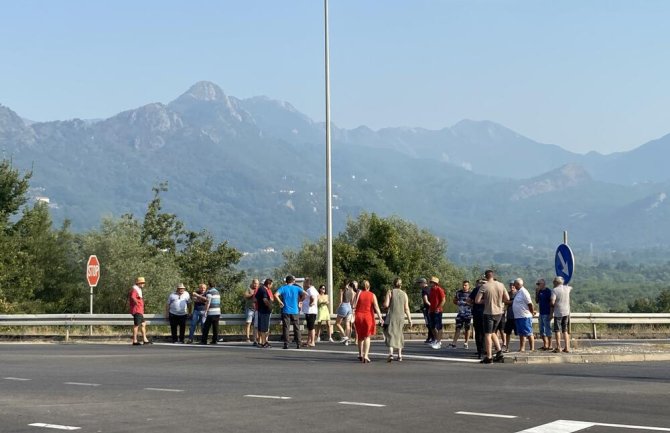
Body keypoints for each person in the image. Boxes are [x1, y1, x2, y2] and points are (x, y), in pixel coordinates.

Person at [475, 270, 509, 364]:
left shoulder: (484, 286)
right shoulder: (501, 285)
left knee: (487, 334)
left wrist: (486, 300)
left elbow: (477, 300)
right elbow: (507, 299)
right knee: (493, 332)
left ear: (486, 277)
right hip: (499, 312)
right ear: (493, 276)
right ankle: (499, 351)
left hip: (489, 312)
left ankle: (489, 356)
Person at [353, 280, 384, 363]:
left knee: (360, 336)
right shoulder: (372, 295)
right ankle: (366, 355)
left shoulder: (358, 294)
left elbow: (353, 304)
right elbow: (376, 307)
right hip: (368, 317)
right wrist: (380, 317)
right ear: (369, 287)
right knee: (367, 336)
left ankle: (360, 354)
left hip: (358, 316)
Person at [383, 278, 412, 362]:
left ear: (393, 284)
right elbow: (406, 308)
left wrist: (384, 306)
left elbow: (386, 304)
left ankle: (391, 353)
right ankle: (399, 355)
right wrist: (410, 319)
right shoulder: (404, 294)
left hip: (392, 316)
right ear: (401, 284)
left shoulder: (390, 292)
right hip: (401, 317)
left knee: (390, 333)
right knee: (399, 334)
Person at [275, 275, 305, 349]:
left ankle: (286, 344)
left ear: (286, 281)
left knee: (286, 328)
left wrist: (280, 302)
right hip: (295, 310)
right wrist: (300, 301)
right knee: (296, 327)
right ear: (293, 281)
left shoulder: (283, 288)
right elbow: (305, 294)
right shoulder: (297, 288)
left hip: (286, 310)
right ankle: (298, 343)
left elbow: (275, 294)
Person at [511, 278, 536, 352]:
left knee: (528, 332)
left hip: (524, 316)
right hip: (519, 316)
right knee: (521, 333)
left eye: (515, 284)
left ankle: (532, 348)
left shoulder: (524, 292)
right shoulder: (519, 292)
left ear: (518, 284)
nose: (514, 285)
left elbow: (530, 303)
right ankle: (522, 348)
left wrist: (532, 312)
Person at [551, 276, 573, 353]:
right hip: (566, 312)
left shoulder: (554, 290)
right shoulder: (567, 288)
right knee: (565, 330)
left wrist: (552, 307)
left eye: (554, 282)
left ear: (556, 282)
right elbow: (570, 287)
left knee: (557, 330)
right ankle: (567, 347)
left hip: (558, 312)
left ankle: (558, 347)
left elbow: (552, 302)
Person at [449, 280, 472, 349]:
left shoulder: (471, 293)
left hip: (468, 314)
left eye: (466, 285)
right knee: (458, 328)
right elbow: (454, 300)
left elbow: (474, 302)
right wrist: (458, 302)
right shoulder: (458, 293)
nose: (464, 286)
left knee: (467, 328)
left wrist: (468, 304)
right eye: (463, 285)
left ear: (468, 286)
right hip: (460, 313)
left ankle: (466, 342)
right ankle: (454, 343)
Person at [129, 276, 151, 346]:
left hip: (139, 310)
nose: (144, 284)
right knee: (136, 325)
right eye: (143, 283)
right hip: (137, 310)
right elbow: (133, 296)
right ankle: (134, 341)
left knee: (143, 324)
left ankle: (145, 339)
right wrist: (137, 303)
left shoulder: (138, 289)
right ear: (139, 283)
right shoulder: (135, 289)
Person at [468, 278, 486, 359]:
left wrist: (473, 305)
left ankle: (480, 351)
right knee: (486, 333)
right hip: (487, 313)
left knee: (478, 333)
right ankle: (485, 350)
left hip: (477, 313)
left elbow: (468, 300)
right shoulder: (489, 289)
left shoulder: (476, 289)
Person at [255, 278, 274, 348]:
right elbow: (265, 299)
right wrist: (270, 306)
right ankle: (264, 342)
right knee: (264, 328)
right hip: (264, 311)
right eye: (271, 285)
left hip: (260, 310)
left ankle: (259, 342)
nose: (272, 286)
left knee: (260, 327)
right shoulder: (264, 290)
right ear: (268, 284)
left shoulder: (260, 289)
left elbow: (255, 299)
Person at [428, 277, 446, 349]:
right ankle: (436, 340)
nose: (430, 283)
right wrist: (430, 309)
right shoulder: (431, 290)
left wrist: (438, 308)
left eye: (431, 282)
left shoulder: (439, 289)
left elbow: (443, 300)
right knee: (432, 326)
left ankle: (438, 342)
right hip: (431, 310)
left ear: (435, 283)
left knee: (439, 326)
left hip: (438, 311)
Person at [535, 278, 553, 350]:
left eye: (539, 284)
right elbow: (537, 301)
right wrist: (537, 293)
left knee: (548, 329)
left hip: (547, 312)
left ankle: (550, 345)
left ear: (543, 284)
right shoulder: (539, 292)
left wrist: (551, 313)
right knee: (542, 330)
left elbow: (551, 303)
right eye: (537, 284)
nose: (538, 285)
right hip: (541, 313)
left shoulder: (548, 291)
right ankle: (545, 344)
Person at [301, 277, 319, 347]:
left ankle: (313, 342)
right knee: (309, 327)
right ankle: (308, 341)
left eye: (305, 283)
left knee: (311, 327)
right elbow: (317, 296)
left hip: (310, 311)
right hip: (311, 311)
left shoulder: (310, 290)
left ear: (308, 283)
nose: (304, 284)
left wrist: (311, 303)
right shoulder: (313, 289)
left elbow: (312, 297)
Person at [502, 280, 517, 352]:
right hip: (509, 316)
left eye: (513, 285)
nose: (512, 286)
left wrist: (509, 302)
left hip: (517, 316)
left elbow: (507, 302)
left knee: (521, 333)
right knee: (507, 333)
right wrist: (511, 302)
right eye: (511, 285)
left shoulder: (518, 294)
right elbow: (504, 301)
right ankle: (507, 347)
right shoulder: (507, 294)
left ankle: (522, 348)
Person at [417, 277, 433, 344]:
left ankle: (431, 338)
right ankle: (430, 337)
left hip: (427, 309)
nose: (419, 285)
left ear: (423, 283)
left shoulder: (424, 290)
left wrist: (429, 306)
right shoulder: (431, 289)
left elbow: (426, 301)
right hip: (432, 309)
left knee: (428, 324)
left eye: (420, 283)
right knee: (431, 323)